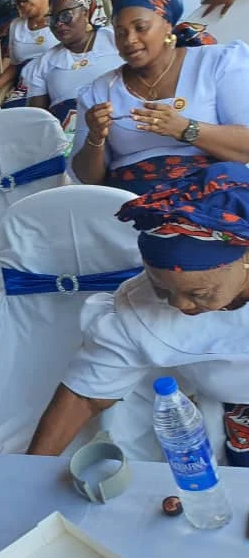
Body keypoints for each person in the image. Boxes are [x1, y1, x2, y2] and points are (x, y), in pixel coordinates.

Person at [29, 163, 249, 461]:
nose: (179, 306)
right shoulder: (141, 310)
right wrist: (30, 469)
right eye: (162, 289)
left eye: (199, 293)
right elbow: (85, 396)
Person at [73, 0, 249, 194]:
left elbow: (246, 146)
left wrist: (185, 129)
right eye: (120, 32)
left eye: (140, 28)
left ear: (167, 25)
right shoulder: (99, 91)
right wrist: (95, 138)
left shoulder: (216, 62)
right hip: (132, 201)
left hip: (213, 194)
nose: (129, 40)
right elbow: (88, 179)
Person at [25, 0, 123, 138]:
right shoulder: (43, 63)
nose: (58, 24)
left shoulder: (116, 39)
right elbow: (37, 120)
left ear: (85, 12)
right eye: (52, 18)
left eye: (65, 15)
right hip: (69, 140)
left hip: (121, 126)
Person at [0, 0, 58, 103]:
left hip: (55, 81)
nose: (21, 4)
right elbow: (15, 65)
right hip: (25, 88)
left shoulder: (60, 19)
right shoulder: (16, 26)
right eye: (17, 1)